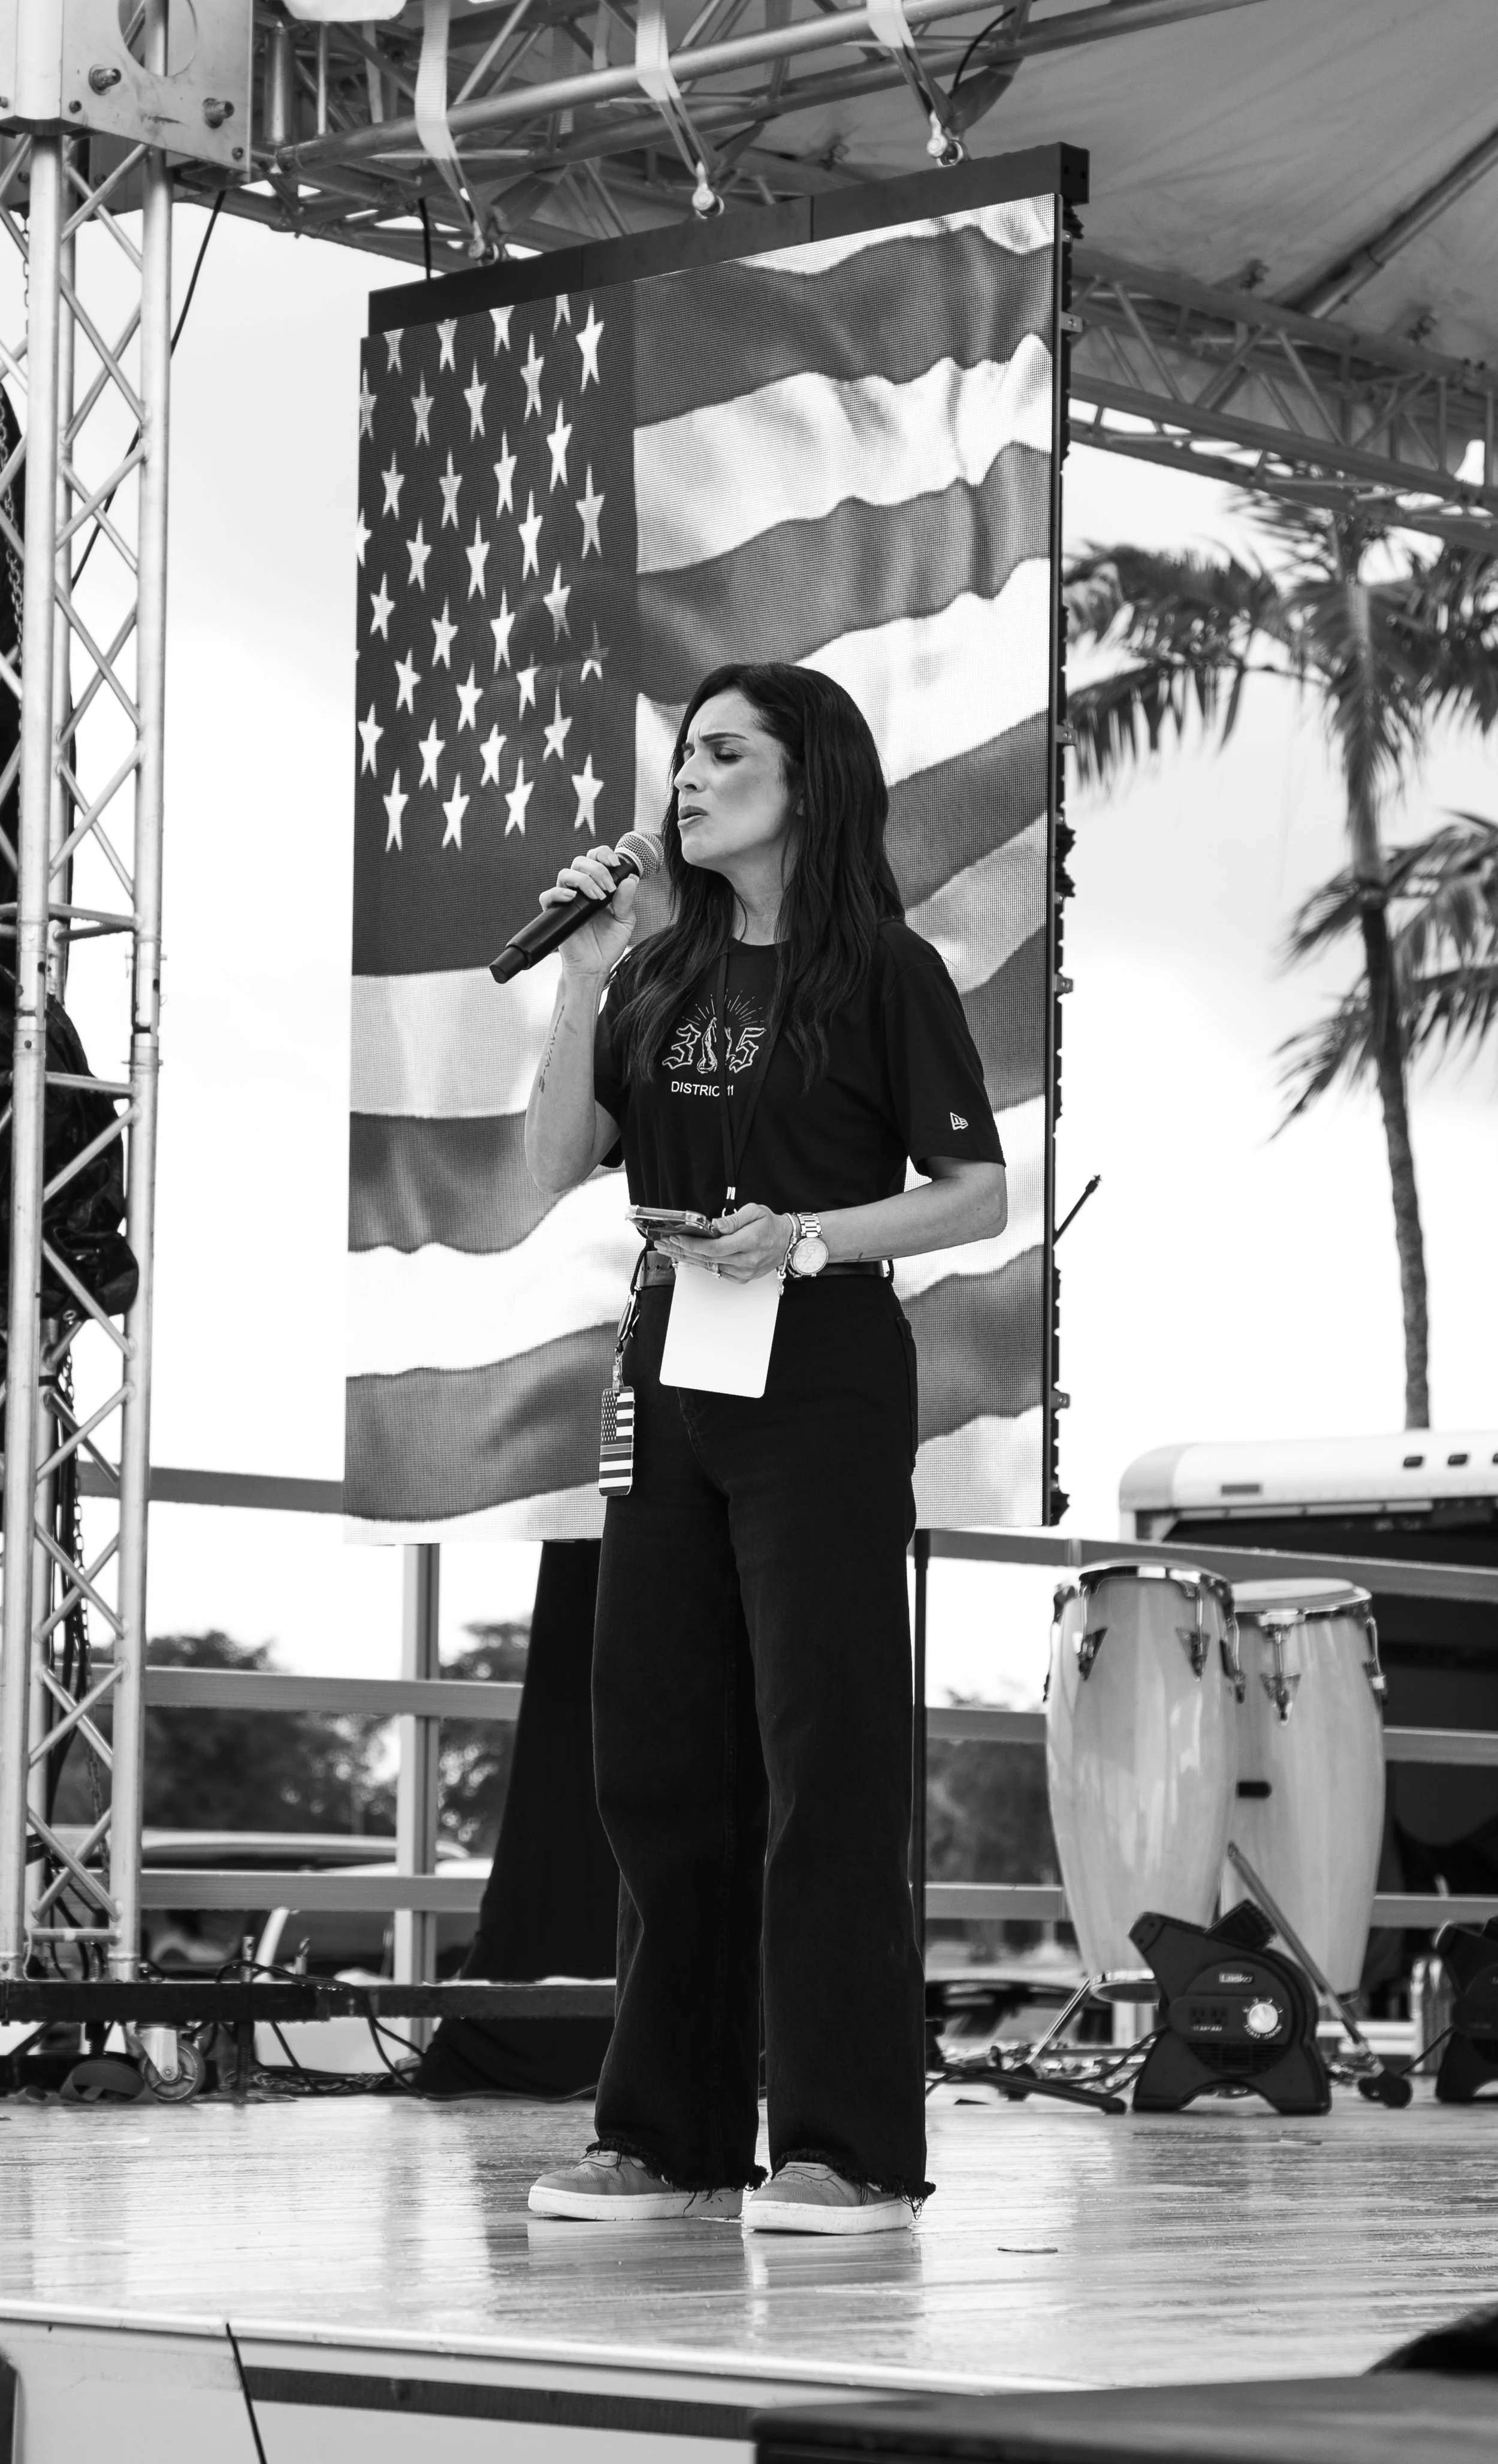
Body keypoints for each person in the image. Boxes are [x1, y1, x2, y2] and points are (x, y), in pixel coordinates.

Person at [521, 663, 1008, 2235]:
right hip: (666, 1363)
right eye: (681, 755)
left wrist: (802, 1238)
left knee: (824, 1753)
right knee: (656, 1753)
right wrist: (577, 972)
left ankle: (845, 2146)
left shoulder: (883, 973)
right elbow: (542, 1166)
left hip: (818, 1366)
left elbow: (970, 1192)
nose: (688, 778)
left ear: (809, 781)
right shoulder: (649, 974)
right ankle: (663, 2137)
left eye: (725, 752)